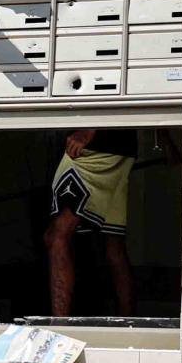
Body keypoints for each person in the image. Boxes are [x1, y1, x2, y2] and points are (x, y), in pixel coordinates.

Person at [45, 129, 136, 317]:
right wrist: (164, 141)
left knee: (58, 233)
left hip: (92, 149)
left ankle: (59, 329)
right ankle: (128, 327)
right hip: (117, 147)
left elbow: (115, 98)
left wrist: (90, 128)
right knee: (113, 242)